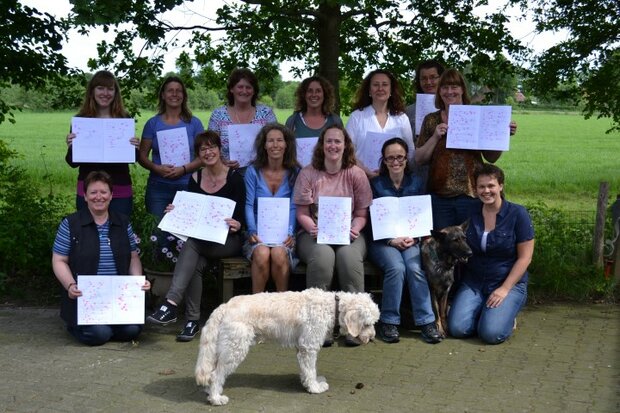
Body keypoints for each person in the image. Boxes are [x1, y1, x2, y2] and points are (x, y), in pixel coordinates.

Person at [147, 131, 246, 342]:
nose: (208, 152)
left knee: (191, 245)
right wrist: (177, 210)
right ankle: (192, 321)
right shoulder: (195, 178)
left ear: (220, 150)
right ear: (199, 154)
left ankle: (172, 304)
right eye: (203, 149)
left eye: (212, 147)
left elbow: (242, 217)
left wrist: (238, 224)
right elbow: (193, 214)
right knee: (196, 262)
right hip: (202, 242)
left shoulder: (235, 178)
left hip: (229, 240)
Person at [293, 125, 372, 346]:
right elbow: (301, 212)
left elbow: (362, 213)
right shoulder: (308, 173)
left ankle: (354, 326)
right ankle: (320, 327)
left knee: (348, 258)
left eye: (338, 141)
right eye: (329, 141)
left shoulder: (356, 174)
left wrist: (355, 227)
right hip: (314, 234)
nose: (333, 146)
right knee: (322, 257)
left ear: (345, 145)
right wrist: (311, 228)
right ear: (321, 145)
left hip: (349, 234)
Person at [51, 170, 150, 346]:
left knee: (132, 330)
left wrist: (137, 282)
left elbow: (133, 257)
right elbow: (59, 260)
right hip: (85, 297)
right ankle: (83, 326)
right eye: (93, 192)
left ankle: (104, 326)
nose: (99, 197)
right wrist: (70, 285)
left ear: (111, 195)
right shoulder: (71, 223)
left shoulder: (123, 221)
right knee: (99, 335)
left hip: (117, 297)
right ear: (85, 196)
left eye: (103, 192)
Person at [414, 68, 518, 230]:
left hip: (472, 194)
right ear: (439, 92)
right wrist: (435, 136)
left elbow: (491, 157)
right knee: (444, 244)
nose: (449, 92)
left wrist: (501, 136)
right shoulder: (431, 120)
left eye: (454, 87)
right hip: (439, 196)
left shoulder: (478, 115)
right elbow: (419, 159)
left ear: (462, 89)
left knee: (471, 244)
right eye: (444, 87)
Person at [447, 164, 534, 344]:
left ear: (500, 186)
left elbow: (525, 257)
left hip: (506, 282)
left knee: (491, 334)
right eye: (481, 187)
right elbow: (449, 234)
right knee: (457, 329)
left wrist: (504, 289)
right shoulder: (470, 211)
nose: (486, 191)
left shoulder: (518, 214)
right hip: (474, 282)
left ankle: (505, 317)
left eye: (491, 186)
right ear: (475, 188)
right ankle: (487, 312)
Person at [367, 138, 442, 344]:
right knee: (396, 268)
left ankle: (427, 321)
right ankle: (389, 321)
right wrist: (391, 240)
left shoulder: (417, 182)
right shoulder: (375, 184)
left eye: (399, 157)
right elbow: (370, 219)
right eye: (390, 158)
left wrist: (414, 236)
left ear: (406, 159)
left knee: (414, 267)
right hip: (383, 241)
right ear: (384, 161)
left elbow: (424, 215)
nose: (395, 162)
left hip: (411, 239)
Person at [65, 70, 139, 216]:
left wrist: (135, 147)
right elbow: (72, 163)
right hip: (89, 189)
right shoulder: (81, 120)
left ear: (115, 93)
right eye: (100, 88)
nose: (105, 93)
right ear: (92, 91)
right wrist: (71, 147)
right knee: (88, 235)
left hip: (120, 188)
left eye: (110, 89)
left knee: (119, 233)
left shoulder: (124, 119)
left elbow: (132, 159)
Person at [244, 124, 300, 293]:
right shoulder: (252, 171)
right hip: (257, 233)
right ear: (264, 145)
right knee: (261, 254)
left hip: (285, 234)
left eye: (279, 140)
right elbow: (248, 204)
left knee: (278, 254)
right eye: (270, 141)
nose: (275, 145)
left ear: (286, 144)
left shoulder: (295, 172)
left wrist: (290, 232)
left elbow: (294, 206)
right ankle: (256, 308)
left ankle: (281, 309)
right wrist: (252, 231)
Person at [139, 76, 205, 219]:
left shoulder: (194, 123)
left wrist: (184, 169)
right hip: (158, 187)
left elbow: (204, 157)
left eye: (178, 91)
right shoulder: (152, 124)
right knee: (157, 233)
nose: (174, 94)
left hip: (188, 185)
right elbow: (142, 157)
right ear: (163, 95)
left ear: (184, 95)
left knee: (184, 232)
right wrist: (156, 168)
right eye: (170, 91)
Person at [345, 69, 413, 178]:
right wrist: (367, 172)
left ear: (391, 90)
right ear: (369, 90)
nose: (380, 88)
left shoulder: (402, 118)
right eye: (376, 85)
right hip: (361, 178)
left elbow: (410, 151)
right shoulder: (356, 117)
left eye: (385, 84)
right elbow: (347, 152)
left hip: (395, 181)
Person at [207, 68, 277, 168]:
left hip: (261, 173)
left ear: (254, 91)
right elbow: (210, 146)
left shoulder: (266, 113)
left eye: (248, 87)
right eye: (240, 87)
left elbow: (275, 142)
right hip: (227, 174)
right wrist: (222, 162)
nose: (244, 91)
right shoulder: (218, 115)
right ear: (232, 89)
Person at [405, 59, 445, 138]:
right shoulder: (408, 111)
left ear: (442, 78)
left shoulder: (451, 108)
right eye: (424, 78)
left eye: (433, 77)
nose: (428, 82)